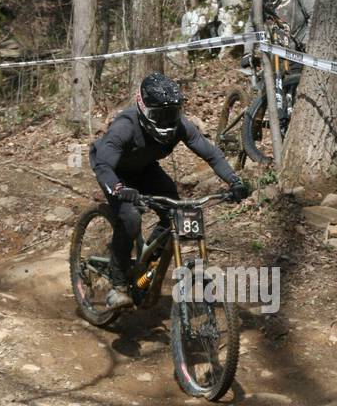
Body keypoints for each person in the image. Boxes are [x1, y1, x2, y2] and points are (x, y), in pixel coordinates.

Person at [89, 72, 249, 309]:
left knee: (176, 214)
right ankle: (118, 283)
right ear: (143, 109)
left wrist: (234, 181)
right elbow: (103, 165)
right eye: (159, 115)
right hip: (114, 172)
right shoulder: (125, 127)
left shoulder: (181, 126)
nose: (166, 122)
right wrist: (119, 188)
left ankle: (146, 263)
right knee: (131, 218)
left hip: (144, 168)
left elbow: (212, 154)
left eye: (171, 114)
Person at [243, 0, 316, 116]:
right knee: (263, 92)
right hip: (273, 51)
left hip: (299, 49)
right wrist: (247, 52)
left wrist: (309, 43)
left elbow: (316, 16)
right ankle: (252, 125)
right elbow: (252, 23)